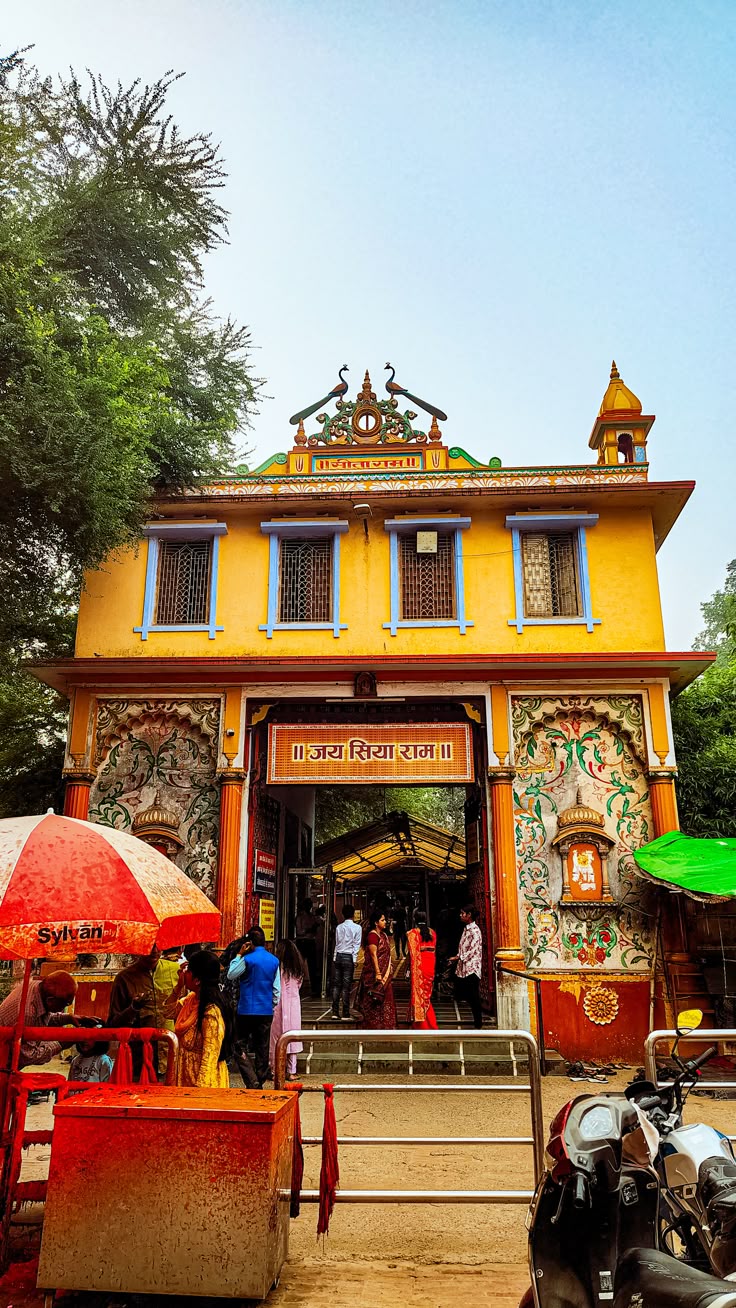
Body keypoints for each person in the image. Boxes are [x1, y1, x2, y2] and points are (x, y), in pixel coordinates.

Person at [165, 949, 232, 1088]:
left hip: (203, 1081)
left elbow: (209, 1058)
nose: (184, 973)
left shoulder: (211, 1012)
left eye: (188, 971)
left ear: (197, 980)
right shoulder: (192, 1000)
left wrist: (199, 1094)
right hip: (185, 1076)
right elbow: (168, 1012)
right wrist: (178, 987)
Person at [227, 927, 280, 1087]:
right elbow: (276, 990)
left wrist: (238, 955)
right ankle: (260, 1077)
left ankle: (252, 1080)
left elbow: (231, 974)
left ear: (249, 943)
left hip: (246, 1010)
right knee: (262, 1047)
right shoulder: (274, 960)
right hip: (265, 1010)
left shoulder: (247, 959)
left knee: (238, 1045)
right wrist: (270, 1005)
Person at [0, 971, 77, 1068]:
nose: (63, 1008)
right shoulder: (28, 1013)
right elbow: (27, 1056)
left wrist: (68, 1018)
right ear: (50, 1000)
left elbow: (40, 1017)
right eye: (66, 1004)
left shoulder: (37, 987)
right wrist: (61, 1044)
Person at [107, 946, 161, 1080]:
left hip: (169, 1055)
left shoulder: (175, 971)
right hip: (138, 1058)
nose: (154, 950)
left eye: (158, 944)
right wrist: (133, 1008)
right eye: (149, 945)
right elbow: (113, 1023)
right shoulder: (124, 978)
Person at [269, 940, 305, 1081]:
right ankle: (291, 1071)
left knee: (275, 1039)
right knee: (293, 1037)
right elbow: (299, 985)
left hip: (277, 1005)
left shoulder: (276, 967)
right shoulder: (298, 969)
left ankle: (274, 1070)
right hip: (294, 1005)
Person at [359, 909, 396, 1030]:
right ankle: (373, 1027)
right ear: (376, 922)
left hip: (385, 975)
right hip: (375, 975)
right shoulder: (372, 936)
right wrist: (378, 973)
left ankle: (387, 1025)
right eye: (383, 920)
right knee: (374, 1000)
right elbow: (374, 955)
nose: (385, 922)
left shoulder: (384, 935)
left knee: (387, 999)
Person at [449, 905, 483, 1029]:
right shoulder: (466, 929)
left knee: (474, 996)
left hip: (472, 967)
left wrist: (458, 957)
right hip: (465, 966)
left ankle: (478, 1023)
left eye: (463, 913)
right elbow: (463, 946)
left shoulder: (474, 930)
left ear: (469, 915)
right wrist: (458, 956)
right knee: (470, 995)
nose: (460, 915)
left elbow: (473, 949)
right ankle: (476, 1021)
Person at [406, 909, 438, 1029]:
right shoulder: (432, 933)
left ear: (414, 919)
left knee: (419, 996)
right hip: (430, 966)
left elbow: (412, 955)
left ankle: (424, 1024)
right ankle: (427, 1023)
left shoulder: (412, 933)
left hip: (419, 967)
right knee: (426, 996)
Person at [331, 904, 362, 1021]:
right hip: (348, 957)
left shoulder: (339, 927)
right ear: (353, 914)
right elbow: (356, 945)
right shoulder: (357, 928)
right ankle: (345, 1013)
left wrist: (335, 957)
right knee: (346, 986)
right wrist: (354, 960)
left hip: (339, 955)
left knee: (336, 985)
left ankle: (334, 1011)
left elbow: (337, 943)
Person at [68, 1018, 113, 1085]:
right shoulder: (75, 1060)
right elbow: (69, 1083)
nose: (85, 1040)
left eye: (90, 1037)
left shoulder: (103, 1061)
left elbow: (107, 1087)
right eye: (82, 1036)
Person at [295, 899, 319, 996]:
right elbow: (299, 931)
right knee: (299, 964)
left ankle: (314, 988)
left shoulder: (312, 917)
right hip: (302, 941)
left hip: (310, 941)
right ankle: (297, 985)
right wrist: (309, 929)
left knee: (312, 965)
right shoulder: (300, 918)